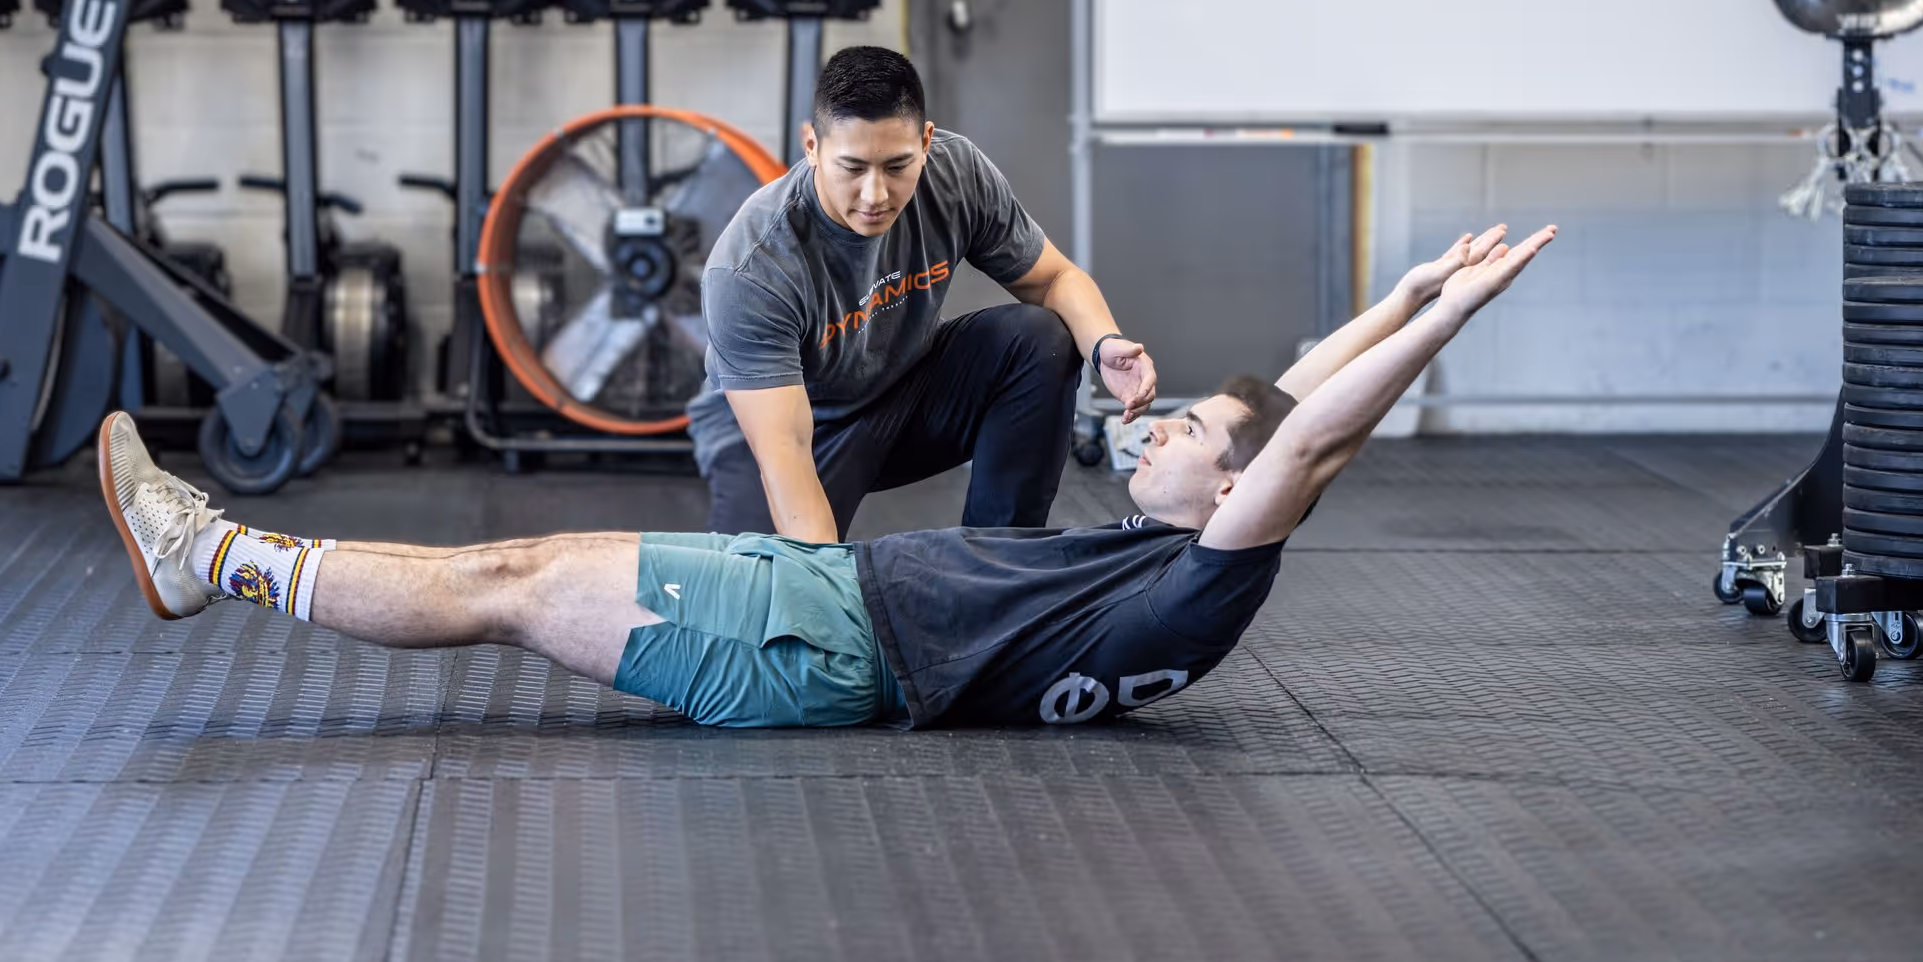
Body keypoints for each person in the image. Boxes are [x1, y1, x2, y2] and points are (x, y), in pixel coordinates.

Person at [97, 225, 1555, 729]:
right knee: (520, 568)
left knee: (505, 582)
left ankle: (215, 553)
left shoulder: (1193, 584)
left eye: (1184, 438)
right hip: (821, 600)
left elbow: (1298, 441)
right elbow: (1301, 406)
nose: (1157, 429)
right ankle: (219, 554)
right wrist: (1413, 288)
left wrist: (1453, 319)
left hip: (816, 642)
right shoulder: (1186, 551)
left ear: (1233, 497)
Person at [688, 45, 1159, 540]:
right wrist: (823, 591)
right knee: (768, 602)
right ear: (811, 146)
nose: (875, 195)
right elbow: (784, 449)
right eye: (852, 168)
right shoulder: (753, 265)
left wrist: (1104, 345)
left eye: (896, 166)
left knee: (1040, 337)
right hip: (789, 428)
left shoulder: (955, 175)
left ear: (927, 141)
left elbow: (1054, 279)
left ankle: (1000, 566)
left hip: (900, 392)